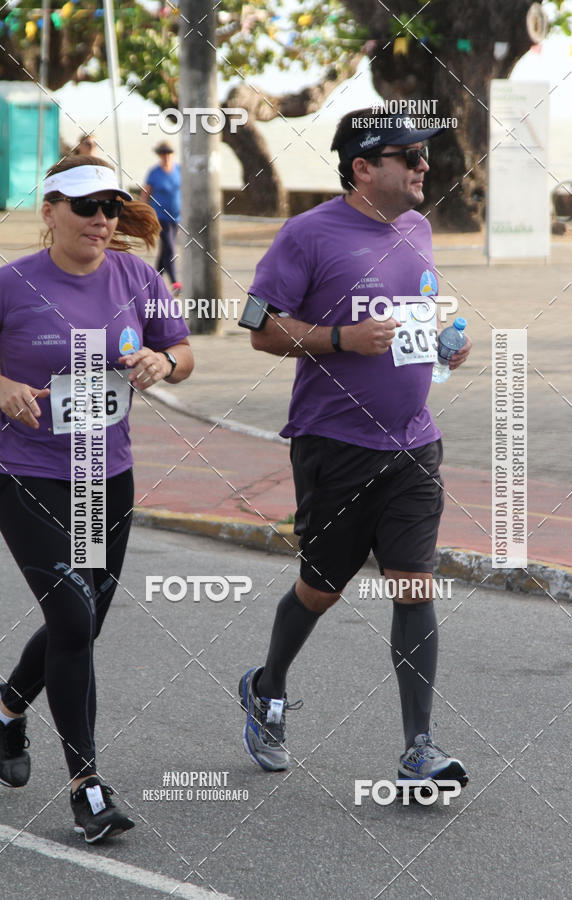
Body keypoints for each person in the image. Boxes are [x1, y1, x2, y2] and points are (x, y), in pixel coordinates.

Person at [238, 109, 472, 791]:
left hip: (413, 445)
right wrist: (341, 339)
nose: (425, 166)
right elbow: (258, 327)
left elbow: (422, 318)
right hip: (333, 445)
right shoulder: (306, 235)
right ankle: (267, 686)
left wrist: (448, 342)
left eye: (425, 155)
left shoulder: (419, 228)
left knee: (414, 583)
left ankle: (418, 747)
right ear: (364, 167)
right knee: (320, 588)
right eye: (410, 156)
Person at [0, 155, 194, 842]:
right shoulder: (12, 283)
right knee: (75, 620)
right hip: (27, 471)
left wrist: (160, 363)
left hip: (103, 475)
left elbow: (182, 351)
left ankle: (7, 706)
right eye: (86, 207)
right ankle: (87, 788)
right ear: (49, 211)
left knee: (81, 622)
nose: (102, 219)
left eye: (111, 206)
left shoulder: (137, 276)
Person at [141, 141, 182, 292]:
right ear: (159, 155)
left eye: (168, 153)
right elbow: (146, 193)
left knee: (164, 251)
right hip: (160, 217)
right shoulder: (154, 172)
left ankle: (154, 281)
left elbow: (185, 190)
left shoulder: (179, 170)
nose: (166, 156)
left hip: (176, 217)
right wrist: (144, 212)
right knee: (170, 247)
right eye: (162, 153)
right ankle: (175, 282)